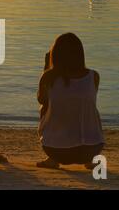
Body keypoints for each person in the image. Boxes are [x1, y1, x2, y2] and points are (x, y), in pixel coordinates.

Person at [37, 33, 104, 169]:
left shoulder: (49, 77)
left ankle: (52, 160)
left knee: (44, 108)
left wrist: (46, 68)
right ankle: (89, 161)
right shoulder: (93, 76)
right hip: (93, 149)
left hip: (57, 151)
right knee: (88, 107)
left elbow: (41, 99)